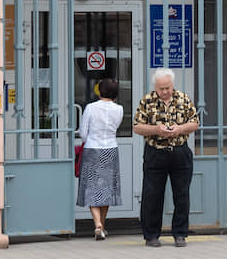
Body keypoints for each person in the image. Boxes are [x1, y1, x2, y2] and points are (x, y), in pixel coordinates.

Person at [132, 68, 199, 248]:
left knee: (182, 195)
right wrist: (156, 129)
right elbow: (137, 127)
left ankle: (180, 234)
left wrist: (180, 129)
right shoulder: (147, 101)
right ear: (155, 86)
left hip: (179, 151)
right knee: (152, 195)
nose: (165, 92)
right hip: (155, 152)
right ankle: (151, 235)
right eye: (161, 88)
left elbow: (195, 122)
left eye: (167, 88)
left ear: (172, 85)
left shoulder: (183, 99)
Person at [76, 78, 124, 240]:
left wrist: (89, 139)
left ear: (100, 91)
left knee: (92, 188)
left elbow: (83, 132)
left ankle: (97, 224)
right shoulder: (119, 109)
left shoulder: (91, 108)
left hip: (92, 149)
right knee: (106, 189)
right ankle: (102, 225)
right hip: (110, 149)